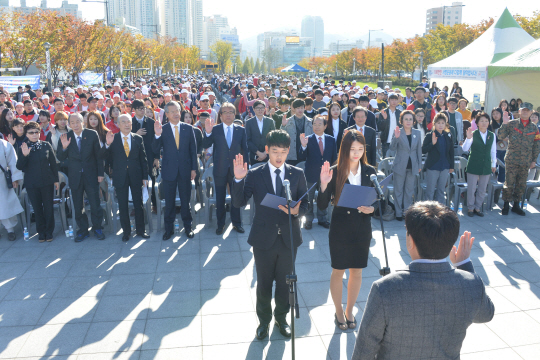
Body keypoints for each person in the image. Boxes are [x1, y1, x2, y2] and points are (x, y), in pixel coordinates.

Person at [351, 202, 494, 360]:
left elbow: (364, 351)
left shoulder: (385, 288)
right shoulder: (471, 284)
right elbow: (486, 314)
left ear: (410, 241)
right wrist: (464, 265)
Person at [231, 130, 308, 340]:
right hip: (263, 238)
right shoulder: (256, 173)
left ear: (288, 151)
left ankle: (281, 319)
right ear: (267, 150)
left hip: (289, 238)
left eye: (283, 151)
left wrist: (296, 212)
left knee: (285, 282)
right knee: (264, 283)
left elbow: (306, 204)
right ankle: (263, 322)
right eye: (274, 151)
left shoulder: (296, 173)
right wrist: (238, 180)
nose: (279, 156)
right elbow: (239, 203)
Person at [317, 130, 378, 332]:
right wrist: (324, 184)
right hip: (341, 227)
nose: (357, 153)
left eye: (361, 149)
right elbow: (322, 204)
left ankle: (350, 310)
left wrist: (373, 208)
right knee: (338, 269)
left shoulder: (370, 171)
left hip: (362, 228)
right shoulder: (335, 170)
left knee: (357, 270)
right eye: (353, 149)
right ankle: (338, 310)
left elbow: (378, 199)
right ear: (345, 149)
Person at [57, 113, 106, 242]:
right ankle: (83, 230)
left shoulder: (91, 134)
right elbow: (60, 158)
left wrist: (100, 174)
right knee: (78, 205)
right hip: (75, 176)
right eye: (72, 123)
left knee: (95, 204)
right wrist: (64, 147)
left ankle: (97, 228)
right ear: (69, 124)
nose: (75, 125)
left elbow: (99, 156)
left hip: (91, 175)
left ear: (82, 122)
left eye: (77, 122)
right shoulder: (65, 137)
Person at [153, 101, 197, 240]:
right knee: (169, 202)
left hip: (185, 170)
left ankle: (188, 227)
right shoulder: (163, 129)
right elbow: (154, 149)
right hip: (168, 170)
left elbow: (193, 151)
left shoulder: (188, 128)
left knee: (186, 201)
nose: (176, 113)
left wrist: (194, 169)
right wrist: (157, 135)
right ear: (166, 114)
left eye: (177, 110)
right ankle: (169, 229)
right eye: (172, 111)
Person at [203, 102, 249, 235]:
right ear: (221, 115)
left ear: (235, 114)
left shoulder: (240, 129)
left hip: (236, 169)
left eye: (231, 112)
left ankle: (237, 223)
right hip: (220, 168)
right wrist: (207, 132)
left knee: (236, 197)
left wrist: (246, 167)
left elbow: (245, 149)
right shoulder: (215, 129)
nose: (228, 115)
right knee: (220, 198)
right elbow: (205, 144)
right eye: (225, 112)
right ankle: (220, 224)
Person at [104, 114, 150, 242]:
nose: (126, 124)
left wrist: (145, 176)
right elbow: (105, 157)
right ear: (118, 124)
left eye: (128, 122)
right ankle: (126, 232)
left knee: (138, 204)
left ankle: (141, 230)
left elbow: (143, 159)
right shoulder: (113, 139)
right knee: (123, 205)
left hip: (136, 176)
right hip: (120, 176)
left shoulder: (138, 138)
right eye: (123, 122)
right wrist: (107, 145)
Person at [16, 122, 59, 242]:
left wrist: (56, 180)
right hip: (32, 183)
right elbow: (19, 166)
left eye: (36, 132)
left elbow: (53, 164)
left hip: (47, 182)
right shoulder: (23, 147)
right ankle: (41, 232)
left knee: (48, 207)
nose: (34, 135)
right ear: (26, 134)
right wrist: (24, 155)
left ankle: (49, 231)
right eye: (31, 132)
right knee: (37, 208)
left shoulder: (46, 145)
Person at [497, 102, 540, 216]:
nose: (525, 112)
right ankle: (506, 205)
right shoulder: (511, 124)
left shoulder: (534, 127)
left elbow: (536, 145)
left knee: (521, 184)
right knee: (509, 183)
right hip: (512, 159)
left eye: (528, 110)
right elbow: (500, 136)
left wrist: (534, 160)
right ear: (519, 111)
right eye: (523, 110)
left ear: (531, 112)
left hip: (525, 161)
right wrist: (504, 123)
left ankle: (516, 205)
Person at [298, 115, 337, 230]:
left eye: (320, 124)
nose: (317, 126)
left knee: (324, 197)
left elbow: (334, 158)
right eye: (314, 124)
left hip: (326, 175)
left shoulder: (331, 139)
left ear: (325, 126)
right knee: (309, 199)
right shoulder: (308, 139)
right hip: (311, 174)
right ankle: (308, 219)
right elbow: (301, 156)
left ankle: (322, 219)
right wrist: (303, 146)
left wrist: (333, 175)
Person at [461, 112, 496, 217]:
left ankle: (478, 207)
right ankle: (470, 208)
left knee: (482, 189)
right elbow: (464, 149)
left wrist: (493, 164)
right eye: (481, 121)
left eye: (486, 121)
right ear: (477, 123)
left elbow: (493, 151)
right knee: (471, 188)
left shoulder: (492, 135)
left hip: (486, 165)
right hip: (474, 164)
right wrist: (467, 138)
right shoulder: (473, 133)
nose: (484, 123)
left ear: (489, 123)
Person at [390, 110, 423, 220]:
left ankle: (407, 212)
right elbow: (392, 148)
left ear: (413, 121)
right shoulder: (398, 131)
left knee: (409, 191)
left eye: (410, 119)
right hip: (400, 165)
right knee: (398, 190)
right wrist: (396, 137)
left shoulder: (417, 133)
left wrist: (419, 165)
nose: (408, 121)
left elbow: (419, 150)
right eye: (406, 119)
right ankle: (398, 213)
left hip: (412, 166)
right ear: (402, 121)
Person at [131, 99, 159, 213]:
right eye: (139, 109)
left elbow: (156, 141)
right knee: (135, 182)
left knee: (152, 179)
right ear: (134, 110)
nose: (142, 111)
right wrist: (135, 134)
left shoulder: (151, 122)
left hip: (150, 156)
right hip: (135, 158)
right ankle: (136, 206)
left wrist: (157, 157)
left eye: (143, 108)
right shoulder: (129, 122)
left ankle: (155, 205)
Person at [422, 113, 454, 204]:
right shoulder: (429, 135)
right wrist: (432, 143)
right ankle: (428, 210)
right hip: (433, 166)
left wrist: (451, 166)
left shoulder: (448, 135)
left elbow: (451, 152)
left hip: (445, 166)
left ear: (445, 124)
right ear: (434, 124)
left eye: (443, 123)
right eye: (438, 123)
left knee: (441, 190)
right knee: (430, 191)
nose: (440, 125)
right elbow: (423, 150)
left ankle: (440, 210)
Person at [0, 138, 24, 241]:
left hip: (2, 180)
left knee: (5, 204)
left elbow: (13, 162)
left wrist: (15, 178)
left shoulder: (4, 144)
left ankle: (10, 230)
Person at [281, 98, 313, 165]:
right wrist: (283, 126)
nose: (300, 110)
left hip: (307, 153)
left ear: (305, 108)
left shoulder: (311, 121)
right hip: (292, 154)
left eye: (302, 108)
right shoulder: (288, 121)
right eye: (298, 108)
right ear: (294, 109)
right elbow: (282, 136)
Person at [245, 100, 276, 165]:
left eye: (262, 108)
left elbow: (273, 138)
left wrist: (265, 153)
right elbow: (248, 140)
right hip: (255, 155)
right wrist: (258, 153)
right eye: (257, 108)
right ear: (253, 109)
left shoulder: (270, 121)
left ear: (265, 109)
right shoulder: (249, 122)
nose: (260, 110)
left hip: (268, 154)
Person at [377, 93, 401, 158]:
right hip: (386, 140)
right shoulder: (383, 112)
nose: (394, 102)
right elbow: (380, 127)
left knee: (397, 160)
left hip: (398, 140)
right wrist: (385, 119)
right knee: (386, 160)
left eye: (396, 100)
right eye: (392, 100)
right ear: (388, 100)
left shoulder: (400, 113)